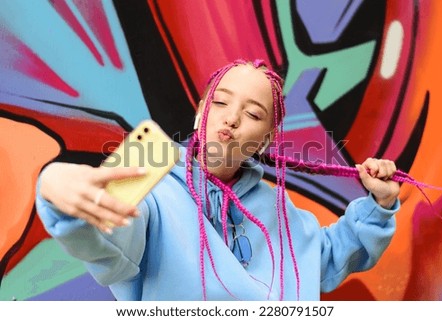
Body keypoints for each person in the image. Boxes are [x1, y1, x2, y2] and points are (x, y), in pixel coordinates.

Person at [36, 59, 400, 300]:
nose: (231, 119)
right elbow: (110, 241)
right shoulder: (151, 183)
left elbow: (322, 259)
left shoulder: (278, 207)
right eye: (221, 103)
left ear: (267, 139)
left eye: (253, 113)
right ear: (199, 115)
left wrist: (379, 206)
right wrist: (55, 191)